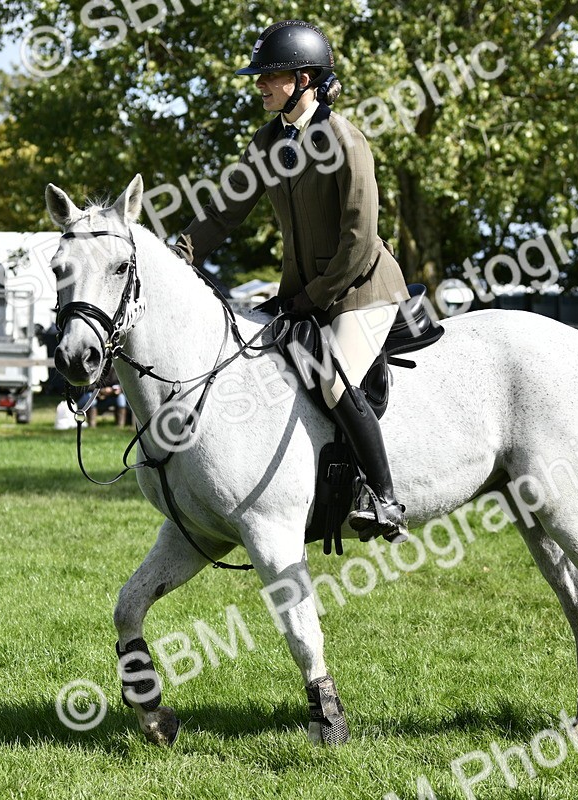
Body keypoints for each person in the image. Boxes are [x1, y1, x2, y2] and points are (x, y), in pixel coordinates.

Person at [169, 20, 409, 542]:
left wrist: (307, 299)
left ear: (304, 79)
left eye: (269, 77)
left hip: (361, 291)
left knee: (330, 375)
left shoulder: (346, 140)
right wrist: (180, 251)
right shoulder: (268, 141)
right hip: (306, 295)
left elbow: (359, 243)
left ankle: (384, 496)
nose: (258, 84)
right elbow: (225, 212)